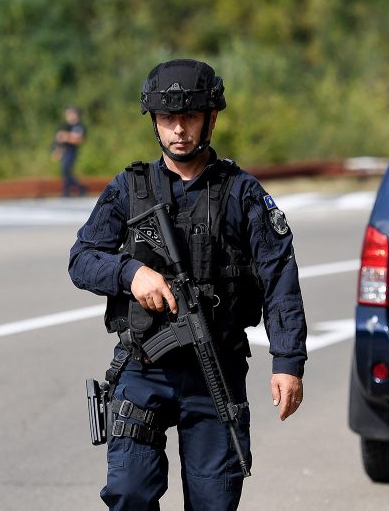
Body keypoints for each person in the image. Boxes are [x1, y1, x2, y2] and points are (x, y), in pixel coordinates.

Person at [68, 58, 308, 510]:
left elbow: (279, 275)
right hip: (143, 367)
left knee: (214, 503)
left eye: (190, 117)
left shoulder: (242, 192)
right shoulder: (129, 188)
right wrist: (130, 273)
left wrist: (288, 360)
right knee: (129, 491)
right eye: (167, 119)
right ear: (154, 123)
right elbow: (82, 259)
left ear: (211, 118)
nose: (178, 129)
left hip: (215, 367)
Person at [54, 105, 87, 197]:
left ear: (75, 115)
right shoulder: (66, 126)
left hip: (72, 150)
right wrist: (58, 151)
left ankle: (69, 190)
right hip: (65, 150)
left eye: (70, 114)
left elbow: (79, 140)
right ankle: (76, 188)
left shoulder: (78, 126)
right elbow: (60, 140)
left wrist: (66, 137)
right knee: (64, 170)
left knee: (66, 169)